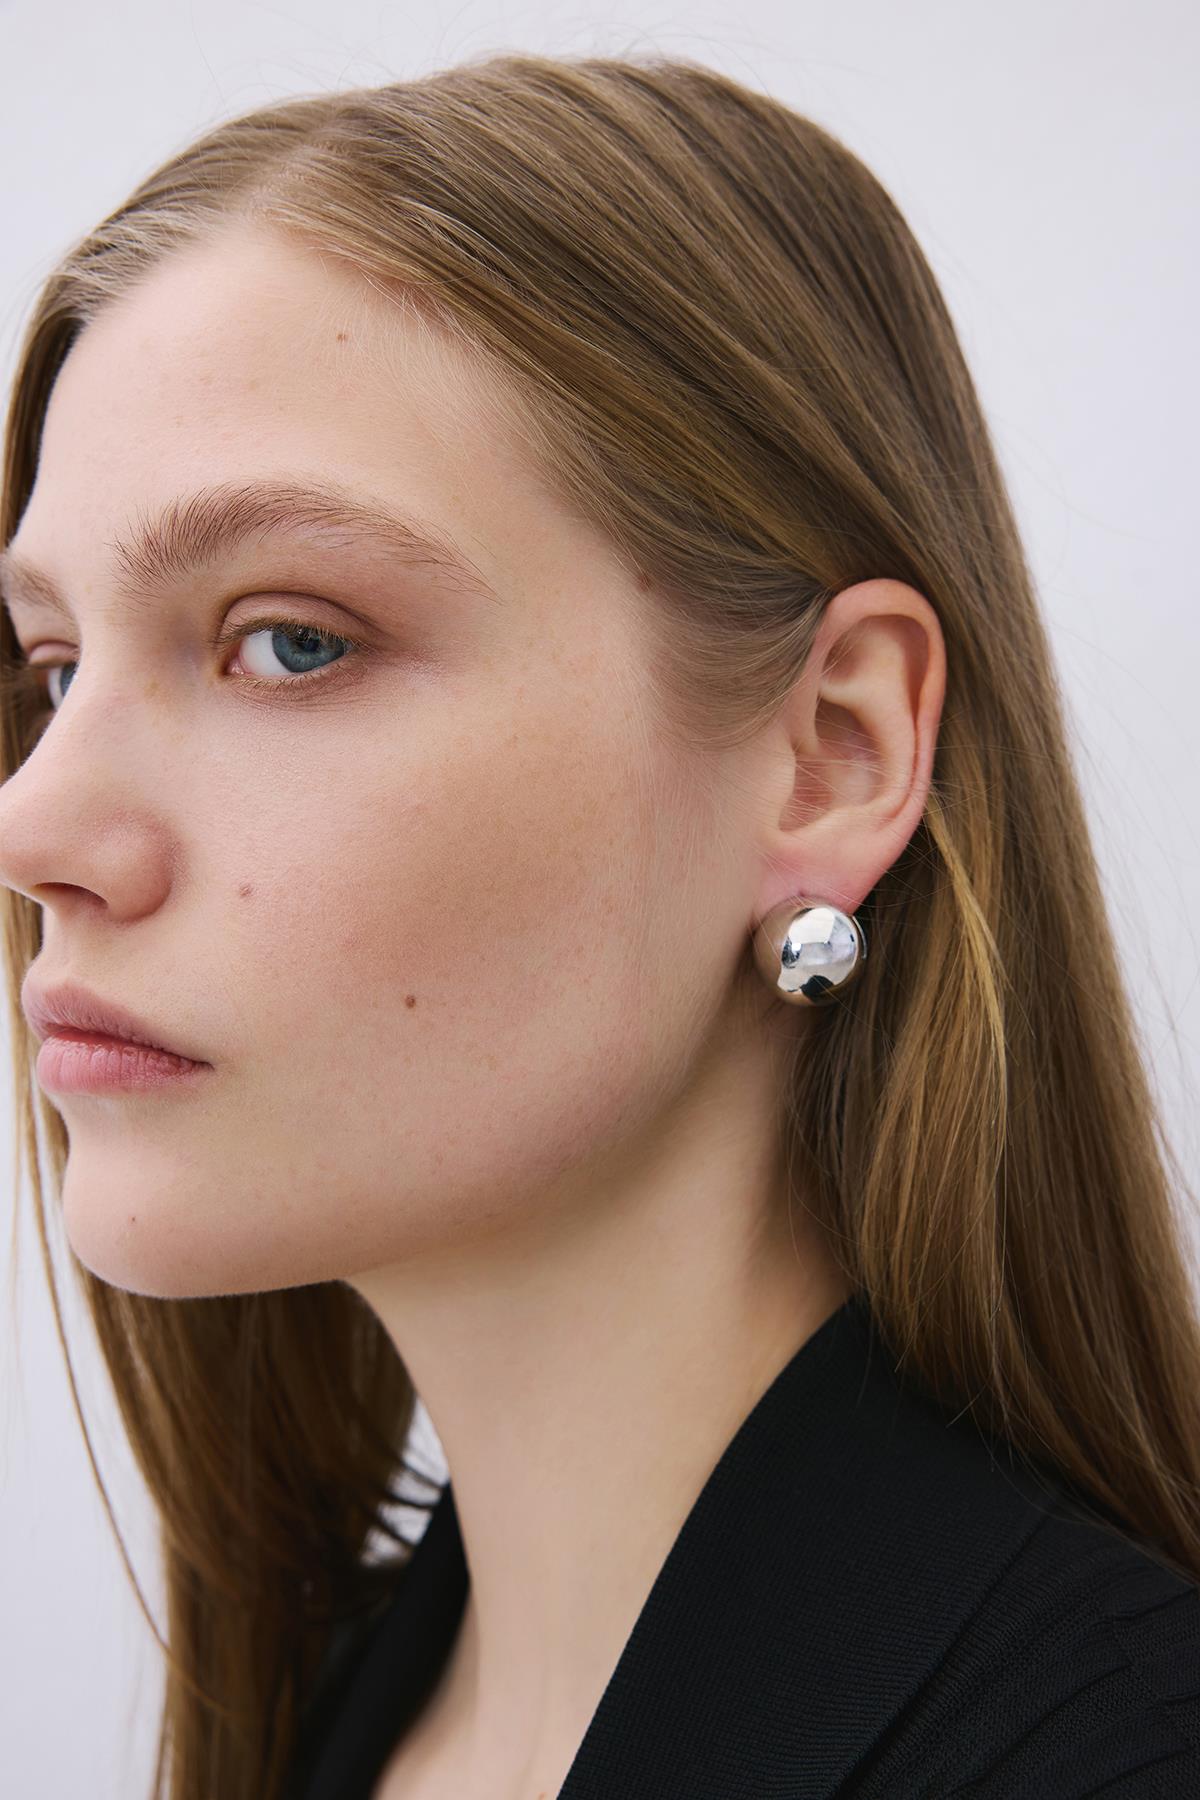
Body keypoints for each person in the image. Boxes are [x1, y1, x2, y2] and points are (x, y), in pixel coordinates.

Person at [0, 50, 1197, 1800]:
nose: (34, 827)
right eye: (53, 669)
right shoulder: (337, 1714)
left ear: (834, 752)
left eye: (293, 642)